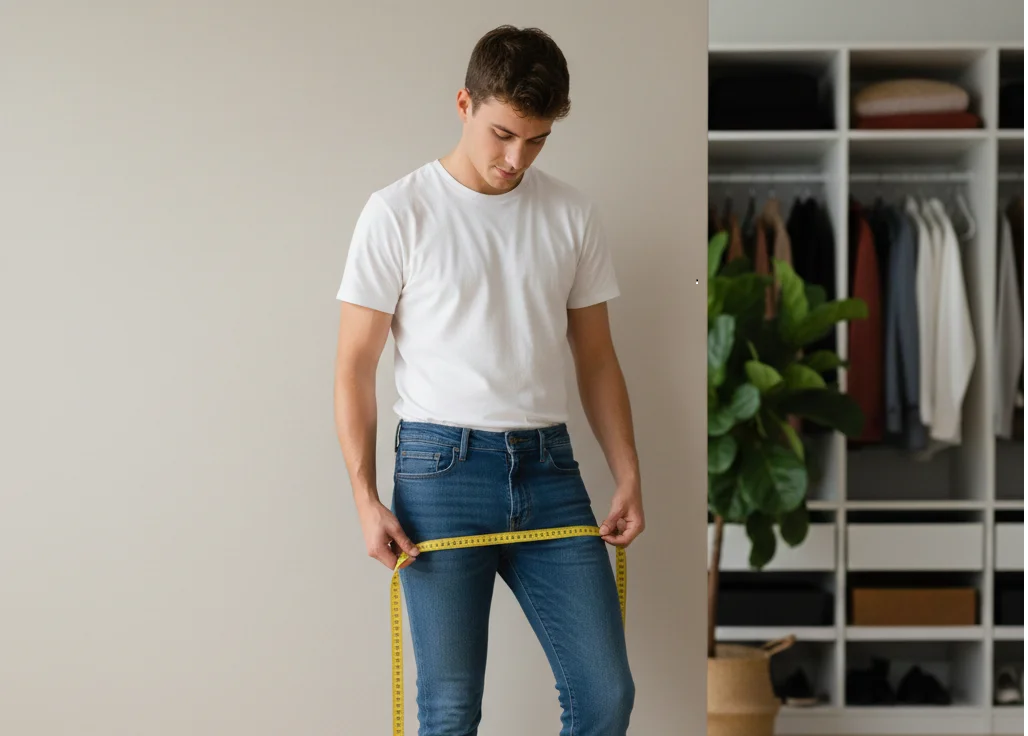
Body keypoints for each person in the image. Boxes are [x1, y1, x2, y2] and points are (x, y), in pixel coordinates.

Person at [333, 24, 644, 736]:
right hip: (439, 477)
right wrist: (364, 496)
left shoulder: (571, 214)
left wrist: (628, 473)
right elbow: (354, 365)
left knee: (606, 696)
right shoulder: (398, 212)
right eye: (503, 134)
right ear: (464, 103)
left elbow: (597, 357)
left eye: (537, 140)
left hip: (550, 472)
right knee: (449, 712)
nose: (516, 159)